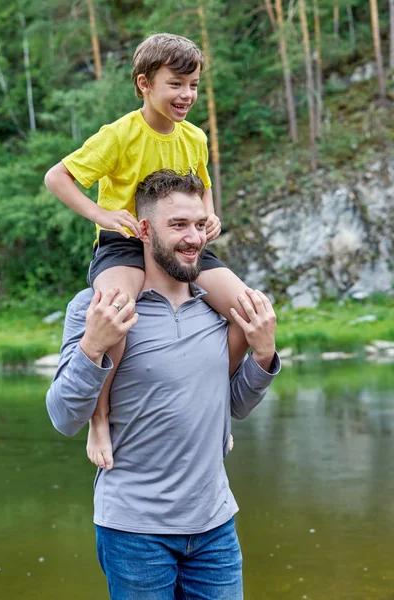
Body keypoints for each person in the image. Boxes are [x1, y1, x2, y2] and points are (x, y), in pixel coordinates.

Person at [46, 169, 280, 600]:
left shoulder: (217, 311)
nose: (193, 237)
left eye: (198, 224)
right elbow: (63, 417)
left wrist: (263, 357)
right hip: (134, 532)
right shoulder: (96, 307)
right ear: (146, 230)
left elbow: (235, 406)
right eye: (178, 225)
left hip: (215, 528)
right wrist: (92, 346)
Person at [44, 32, 250, 472]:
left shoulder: (194, 137)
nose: (187, 95)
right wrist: (100, 213)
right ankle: (100, 419)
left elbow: (204, 184)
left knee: (247, 309)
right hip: (123, 241)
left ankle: (215, 411)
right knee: (115, 311)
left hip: (180, 242)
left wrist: (209, 217)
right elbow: (57, 178)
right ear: (144, 84)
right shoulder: (118, 135)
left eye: (193, 85)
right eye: (176, 84)